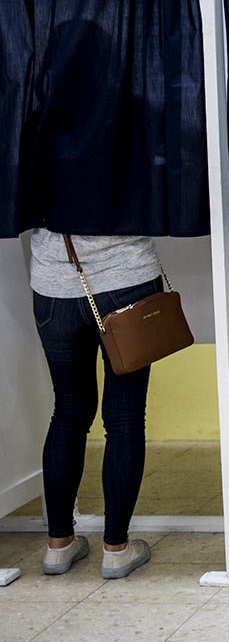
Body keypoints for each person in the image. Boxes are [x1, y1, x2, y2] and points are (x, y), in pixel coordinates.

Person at [29, 227, 158, 579]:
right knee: (125, 418)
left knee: (68, 412)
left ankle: (59, 545)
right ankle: (116, 549)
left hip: (54, 284)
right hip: (127, 278)